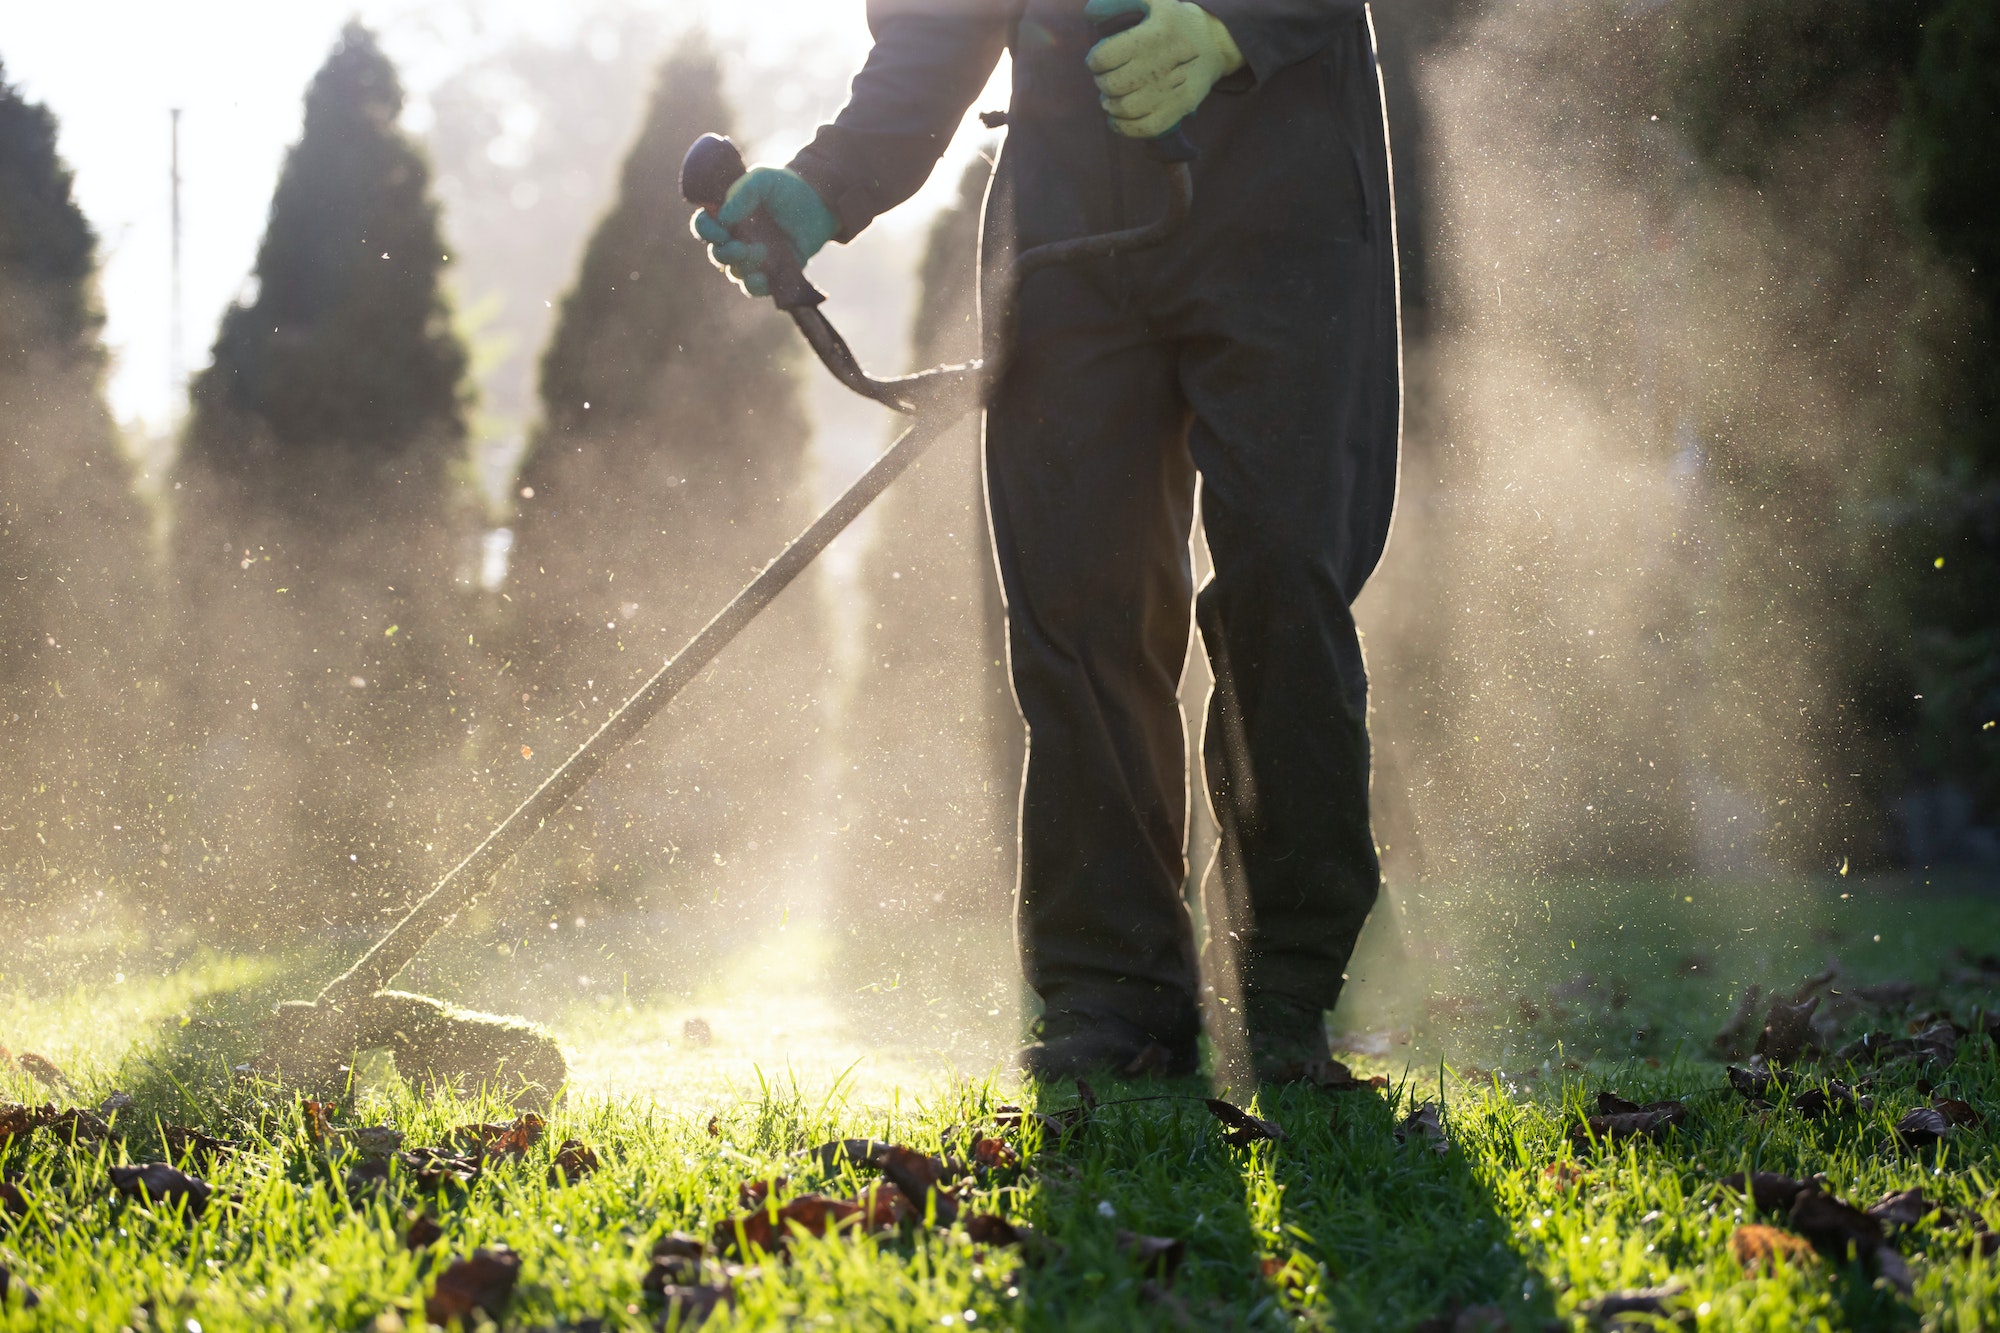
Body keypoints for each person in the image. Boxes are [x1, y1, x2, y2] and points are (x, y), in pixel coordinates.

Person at [693, 0, 1400, 1082]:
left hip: (1283, 178)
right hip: (1066, 218)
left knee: (1282, 580)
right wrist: (826, 185)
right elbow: (937, 24)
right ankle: (1113, 997)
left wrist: (1227, 29)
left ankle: (1281, 990)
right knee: (1076, 608)